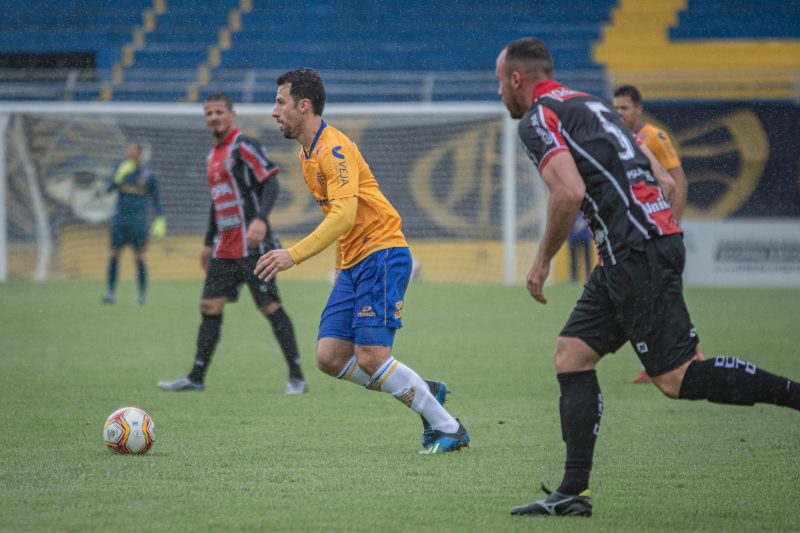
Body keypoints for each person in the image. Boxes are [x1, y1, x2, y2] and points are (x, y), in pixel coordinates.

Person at [495, 37, 800, 517]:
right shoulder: (591, 105)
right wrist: (659, 230)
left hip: (634, 251)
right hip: (640, 245)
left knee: (676, 378)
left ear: (517, 79)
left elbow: (569, 192)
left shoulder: (539, 118)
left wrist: (542, 260)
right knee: (571, 354)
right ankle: (572, 493)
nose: (498, 94)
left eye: (499, 83)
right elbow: (664, 180)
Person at [255, 68, 469, 454]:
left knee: (372, 357)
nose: (274, 111)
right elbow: (337, 221)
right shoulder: (307, 154)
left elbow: (343, 216)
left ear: (304, 106)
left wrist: (294, 255)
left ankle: (449, 428)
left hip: (381, 253)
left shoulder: (332, 149)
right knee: (329, 357)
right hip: (354, 262)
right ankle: (421, 390)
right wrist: (340, 265)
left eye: (280, 102)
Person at [158, 92, 307, 395]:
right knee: (209, 305)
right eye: (209, 113)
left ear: (231, 115)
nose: (214, 117)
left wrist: (261, 219)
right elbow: (218, 201)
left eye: (219, 112)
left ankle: (297, 378)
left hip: (253, 246)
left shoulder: (244, 145)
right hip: (223, 246)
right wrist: (205, 241)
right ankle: (196, 378)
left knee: (270, 306)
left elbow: (270, 180)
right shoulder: (211, 155)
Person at [613, 84, 701, 384]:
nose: (619, 113)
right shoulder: (619, 139)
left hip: (659, 232)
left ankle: (693, 355)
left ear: (639, 109)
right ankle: (659, 362)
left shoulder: (654, 137)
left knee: (667, 292)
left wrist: (672, 225)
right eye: (615, 108)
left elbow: (678, 181)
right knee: (648, 295)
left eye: (624, 108)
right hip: (636, 234)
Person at [102, 142, 165, 306]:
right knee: (114, 254)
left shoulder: (147, 174)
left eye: (131, 150)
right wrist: (117, 178)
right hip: (120, 220)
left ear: (139, 153)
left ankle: (142, 295)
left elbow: (156, 198)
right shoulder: (120, 168)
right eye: (127, 149)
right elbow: (108, 189)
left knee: (139, 257)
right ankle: (110, 293)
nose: (128, 152)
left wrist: (159, 219)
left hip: (138, 222)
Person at [567, 214, 592, 282]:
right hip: (573, 237)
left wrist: (583, 223)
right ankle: (574, 277)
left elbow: (590, 217)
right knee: (573, 258)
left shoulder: (585, 208)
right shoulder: (570, 209)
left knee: (587, 258)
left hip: (585, 236)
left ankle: (588, 276)